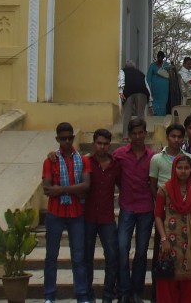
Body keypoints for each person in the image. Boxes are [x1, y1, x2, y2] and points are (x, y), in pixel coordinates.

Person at [41, 122, 93, 303]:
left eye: (69, 138)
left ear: (73, 137)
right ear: (57, 139)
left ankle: (82, 295)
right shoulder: (50, 161)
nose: (67, 142)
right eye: (63, 139)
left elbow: (86, 186)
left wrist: (61, 189)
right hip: (55, 214)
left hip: (76, 214)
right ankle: (49, 295)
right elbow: (47, 189)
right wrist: (73, 189)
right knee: (51, 257)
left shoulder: (83, 160)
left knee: (78, 257)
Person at [113, 118, 155, 303]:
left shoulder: (153, 157)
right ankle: (124, 290)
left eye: (141, 133)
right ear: (129, 135)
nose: (138, 137)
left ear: (145, 133)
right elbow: (115, 176)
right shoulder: (119, 155)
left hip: (146, 208)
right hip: (127, 207)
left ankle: (137, 291)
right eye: (134, 133)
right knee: (122, 248)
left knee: (141, 251)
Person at [154, 155, 191, 303]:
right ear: (174, 169)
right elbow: (157, 216)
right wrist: (164, 239)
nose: (183, 171)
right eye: (180, 168)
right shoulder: (164, 190)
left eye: (187, 168)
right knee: (168, 282)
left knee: (189, 285)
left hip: (190, 243)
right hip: (170, 241)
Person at [84, 128, 121, 303]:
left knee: (112, 258)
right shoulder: (86, 162)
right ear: (94, 144)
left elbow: (123, 185)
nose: (102, 147)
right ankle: (88, 295)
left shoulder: (115, 165)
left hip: (107, 218)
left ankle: (108, 295)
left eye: (106, 144)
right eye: (99, 143)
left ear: (109, 145)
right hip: (88, 217)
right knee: (86, 258)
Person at [150, 123, 191, 191]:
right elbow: (152, 185)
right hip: (163, 195)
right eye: (173, 136)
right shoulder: (156, 158)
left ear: (183, 138)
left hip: (184, 196)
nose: (176, 140)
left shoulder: (189, 158)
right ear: (167, 137)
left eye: (179, 137)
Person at [120, 60, 152, 138]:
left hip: (128, 92)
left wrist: (121, 95)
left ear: (125, 67)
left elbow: (120, 82)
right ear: (134, 67)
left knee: (127, 114)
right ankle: (142, 134)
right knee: (140, 114)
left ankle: (125, 136)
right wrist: (150, 103)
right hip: (142, 91)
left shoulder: (122, 72)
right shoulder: (140, 73)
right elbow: (147, 87)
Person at [147, 51, 171, 116]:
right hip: (155, 89)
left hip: (164, 89)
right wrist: (148, 88)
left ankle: (162, 116)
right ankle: (155, 115)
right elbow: (148, 78)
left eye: (161, 57)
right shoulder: (152, 66)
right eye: (159, 57)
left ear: (163, 58)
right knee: (155, 102)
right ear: (157, 57)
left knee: (163, 102)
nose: (160, 59)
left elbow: (170, 76)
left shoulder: (167, 65)